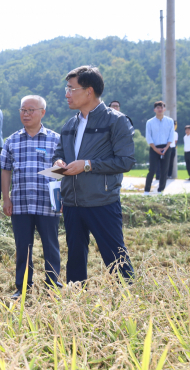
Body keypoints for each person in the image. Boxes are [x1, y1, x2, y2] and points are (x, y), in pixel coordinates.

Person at [53, 65, 135, 284]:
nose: (66, 94)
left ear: (89, 91)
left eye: (71, 88)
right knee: (75, 259)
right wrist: (58, 162)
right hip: (72, 202)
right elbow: (59, 153)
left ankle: (131, 300)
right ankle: (76, 306)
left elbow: (125, 161)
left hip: (102, 201)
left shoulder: (116, 121)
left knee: (116, 258)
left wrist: (87, 165)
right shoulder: (70, 123)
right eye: (66, 88)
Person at [1, 95, 61, 299]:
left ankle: (53, 285)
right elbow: (5, 170)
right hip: (21, 203)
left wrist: (61, 198)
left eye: (31, 110)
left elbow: (63, 170)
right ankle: (22, 287)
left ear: (42, 112)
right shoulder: (12, 140)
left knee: (51, 246)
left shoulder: (56, 139)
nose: (26, 114)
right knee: (22, 248)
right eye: (23, 110)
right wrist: (6, 198)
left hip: (48, 203)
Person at [144, 101, 175, 195]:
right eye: (158, 108)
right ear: (154, 110)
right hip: (154, 147)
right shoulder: (150, 122)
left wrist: (166, 147)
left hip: (166, 147)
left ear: (164, 109)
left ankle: (161, 190)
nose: (160, 109)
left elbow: (171, 136)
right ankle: (146, 190)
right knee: (152, 169)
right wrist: (155, 148)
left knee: (164, 170)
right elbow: (148, 136)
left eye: (161, 107)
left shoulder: (170, 121)